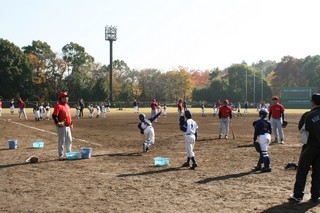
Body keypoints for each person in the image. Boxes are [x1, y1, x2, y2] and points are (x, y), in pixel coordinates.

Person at [288, 93, 320, 203]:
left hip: (310, 146)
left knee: (302, 170)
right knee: (318, 172)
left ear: (313, 102)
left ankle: (298, 195)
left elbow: (302, 130)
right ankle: (316, 196)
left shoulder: (308, 114)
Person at [52, 92, 73, 160]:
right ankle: (61, 155)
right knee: (61, 141)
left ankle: (69, 154)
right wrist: (58, 123)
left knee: (69, 140)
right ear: (61, 98)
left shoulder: (67, 105)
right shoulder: (58, 106)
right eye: (64, 97)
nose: (66, 98)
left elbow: (69, 116)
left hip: (67, 126)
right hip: (62, 126)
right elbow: (54, 115)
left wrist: (71, 123)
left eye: (67, 97)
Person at [253, 108, 272, 173]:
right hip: (268, 136)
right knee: (263, 152)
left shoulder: (259, 122)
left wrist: (254, 139)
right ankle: (259, 166)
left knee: (264, 153)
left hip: (262, 137)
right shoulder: (268, 122)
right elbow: (271, 131)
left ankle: (267, 167)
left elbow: (256, 131)